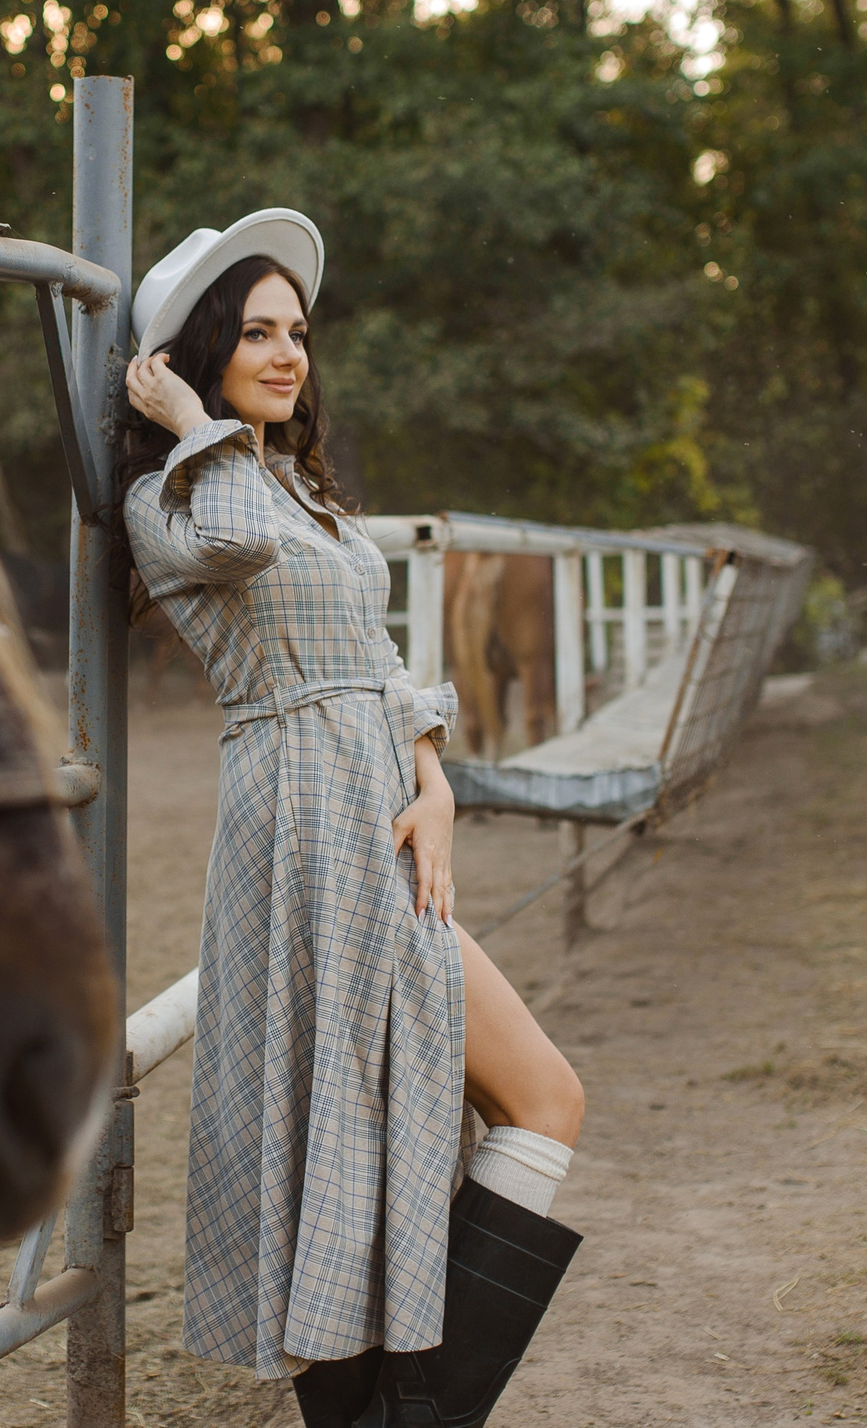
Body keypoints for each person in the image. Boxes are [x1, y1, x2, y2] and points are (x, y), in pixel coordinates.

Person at [118, 210, 587, 1428]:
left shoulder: (288, 483)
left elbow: (370, 656)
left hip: (378, 804)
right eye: (256, 332)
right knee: (346, 1139)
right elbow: (228, 545)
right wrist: (184, 424)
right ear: (189, 355)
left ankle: (399, 1415)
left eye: (298, 333)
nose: (288, 354)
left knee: (539, 1096)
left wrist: (431, 776)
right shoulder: (169, 494)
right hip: (301, 823)